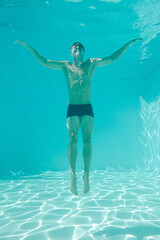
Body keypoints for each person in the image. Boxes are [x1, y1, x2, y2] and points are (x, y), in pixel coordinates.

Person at [15, 38, 142, 195]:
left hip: (87, 107)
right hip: (73, 107)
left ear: (84, 52)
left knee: (87, 140)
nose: (78, 48)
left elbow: (111, 58)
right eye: (74, 47)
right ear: (70, 53)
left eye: (80, 47)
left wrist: (128, 44)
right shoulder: (65, 66)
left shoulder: (92, 63)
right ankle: (73, 175)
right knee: (73, 139)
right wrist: (29, 47)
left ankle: (87, 174)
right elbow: (45, 61)